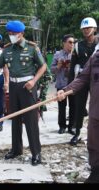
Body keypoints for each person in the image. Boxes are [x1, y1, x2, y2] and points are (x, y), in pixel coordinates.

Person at [0, 20, 47, 166]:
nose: (11, 36)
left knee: (31, 121)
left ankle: (36, 153)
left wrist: (34, 81)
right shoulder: (7, 49)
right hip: (13, 87)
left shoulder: (32, 48)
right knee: (15, 119)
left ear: (21, 34)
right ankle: (16, 149)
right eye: (9, 34)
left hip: (27, 87)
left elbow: (43, 66)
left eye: (14, 34)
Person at [57, 48, 99, 183]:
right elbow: (82, 78)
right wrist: (66, 90)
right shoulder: (95, 58)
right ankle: (96, 172)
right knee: (93, 142)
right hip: (96, 110)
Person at [68, 17, 98, 145]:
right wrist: (70, 85)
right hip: (82, 79)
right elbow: (72, 65)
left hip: (96, 79)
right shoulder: (77, 45)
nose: (86, 30)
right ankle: (78, 132)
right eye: (84, 28)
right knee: (79, 106)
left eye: (88, 28)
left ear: (95, 29)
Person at [51, 34, 76, 135]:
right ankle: (62, 126)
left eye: (73, 43)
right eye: (70, 42)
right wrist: (58, 66)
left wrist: (72, 67)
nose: (72, 44)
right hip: (61, 84)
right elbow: (51, 70)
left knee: (73, 106)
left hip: (73, 85)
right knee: (61, 107)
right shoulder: (57, 54)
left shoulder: (76, 54)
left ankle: (72, 127)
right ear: (64, 43)